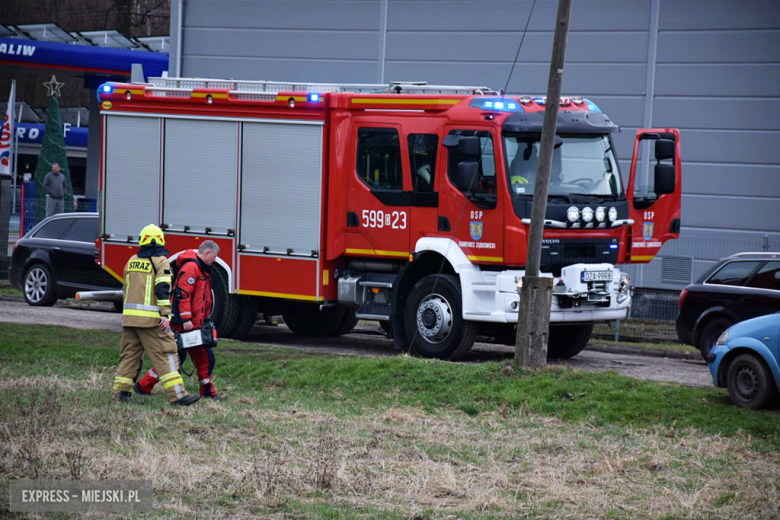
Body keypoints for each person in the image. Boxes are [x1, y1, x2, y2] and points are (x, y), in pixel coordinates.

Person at [113, 224, 199, 406]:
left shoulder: (131, 261)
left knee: (129, 356)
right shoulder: (161, 261)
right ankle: (178, 396)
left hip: (129, 320)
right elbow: (163, 289)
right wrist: (166, 315)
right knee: (166, 355)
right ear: (161, 241)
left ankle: (121, 394)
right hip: (151, 321)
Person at [135, 240, 224, 399]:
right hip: (186, 325)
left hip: (194, 325)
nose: (215, 260)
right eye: (214, 257)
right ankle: (144, 385)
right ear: (207, 253)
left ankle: (208, 391)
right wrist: (186, 319)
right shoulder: (192, 268)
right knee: (179, 359)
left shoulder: (200, 268)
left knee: (201, 358)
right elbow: (182, 295)